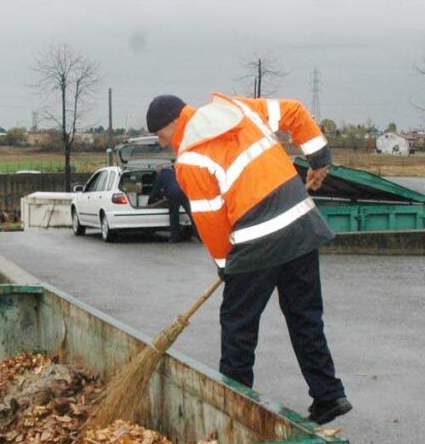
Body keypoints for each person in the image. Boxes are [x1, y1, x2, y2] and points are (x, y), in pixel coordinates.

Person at [145, 92, 351, 424]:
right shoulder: (237, 108)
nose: (164, 144)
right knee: (305, 318)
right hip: (301, 227)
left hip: (257, 241)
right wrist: (319, 158)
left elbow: (211, 220)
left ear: (174, 122)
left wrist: (226, 266)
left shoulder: (191, 160)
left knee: (238, 326)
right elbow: (294, 112)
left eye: (161, 136)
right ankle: (329, 395)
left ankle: (234, 409)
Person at [153, 165, 193, 242]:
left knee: (174, 215)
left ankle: (175, 238)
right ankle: (201, 236)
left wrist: (150, 200)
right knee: (191, 214)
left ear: (158, 171)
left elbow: (155, 189)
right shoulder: (174, 172)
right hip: (183, 192)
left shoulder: (160, 175)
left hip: (172, 195)